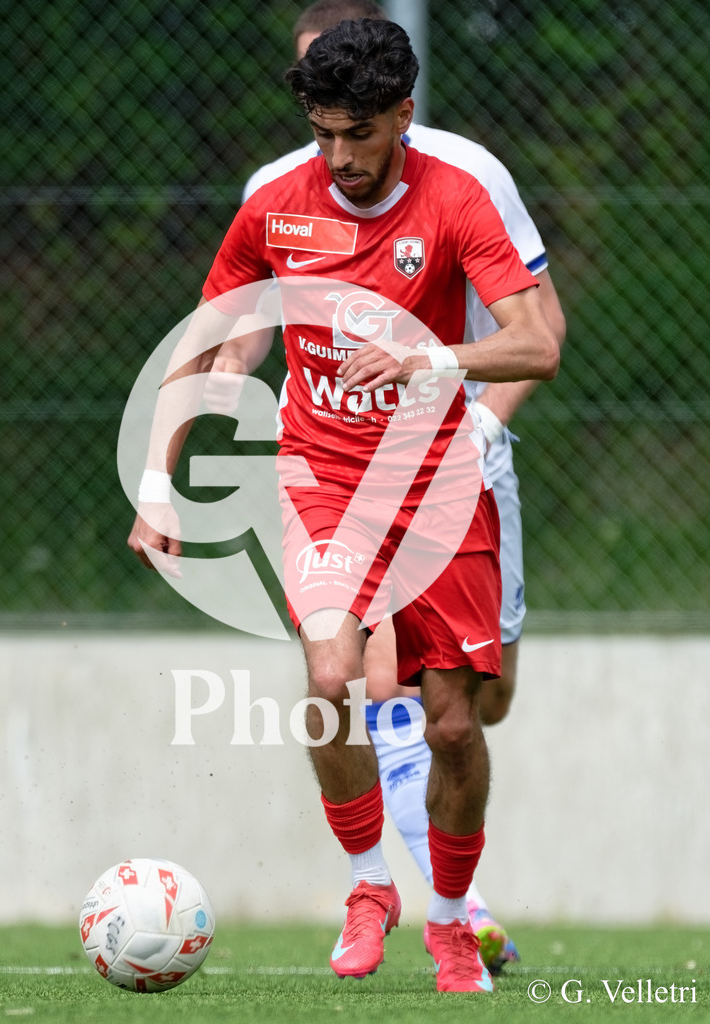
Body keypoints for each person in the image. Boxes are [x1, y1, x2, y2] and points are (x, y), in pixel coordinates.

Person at [128, 18, 559, 994]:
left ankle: (452, 918)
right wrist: (159, 482)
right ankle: (370, 886)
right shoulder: (276, 208)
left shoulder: (458, 200)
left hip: (442, 485)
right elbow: (210, 341)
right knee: (331, 684)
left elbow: (537, 342)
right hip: (321, 479)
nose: (339, 156)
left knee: (456, 722)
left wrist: (433, 355)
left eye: (357, 133)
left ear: (403, 115)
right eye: (323, 133)